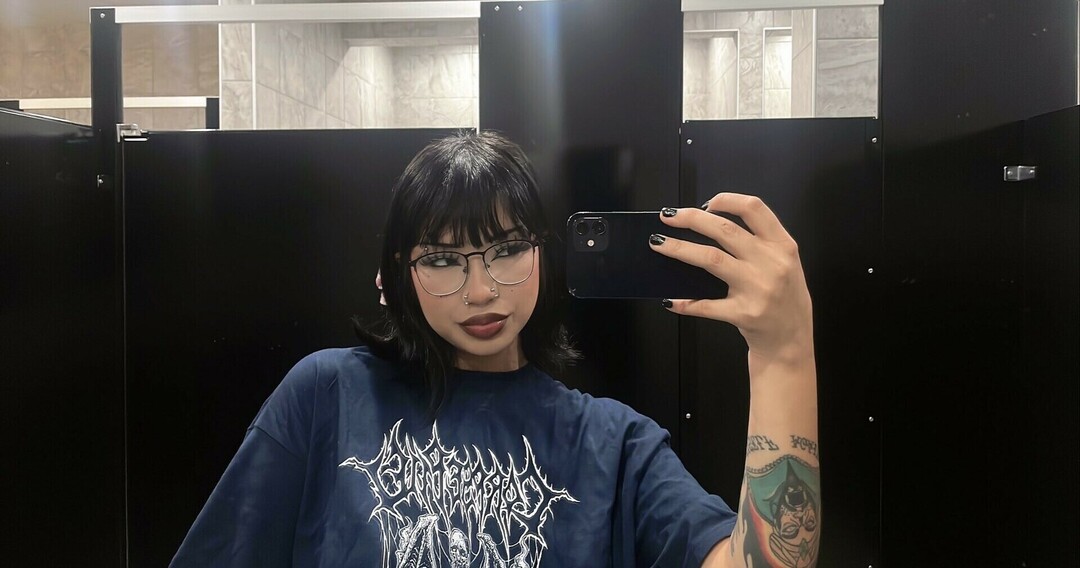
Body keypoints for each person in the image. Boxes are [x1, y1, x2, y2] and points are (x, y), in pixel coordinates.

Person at [171, 131, 819, 568]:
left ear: (542, 252)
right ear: (399, 272)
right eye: (443, 259)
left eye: (507, 250)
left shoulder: (611, 444)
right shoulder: (328, 396)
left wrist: (784, 353)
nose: (481, 290)